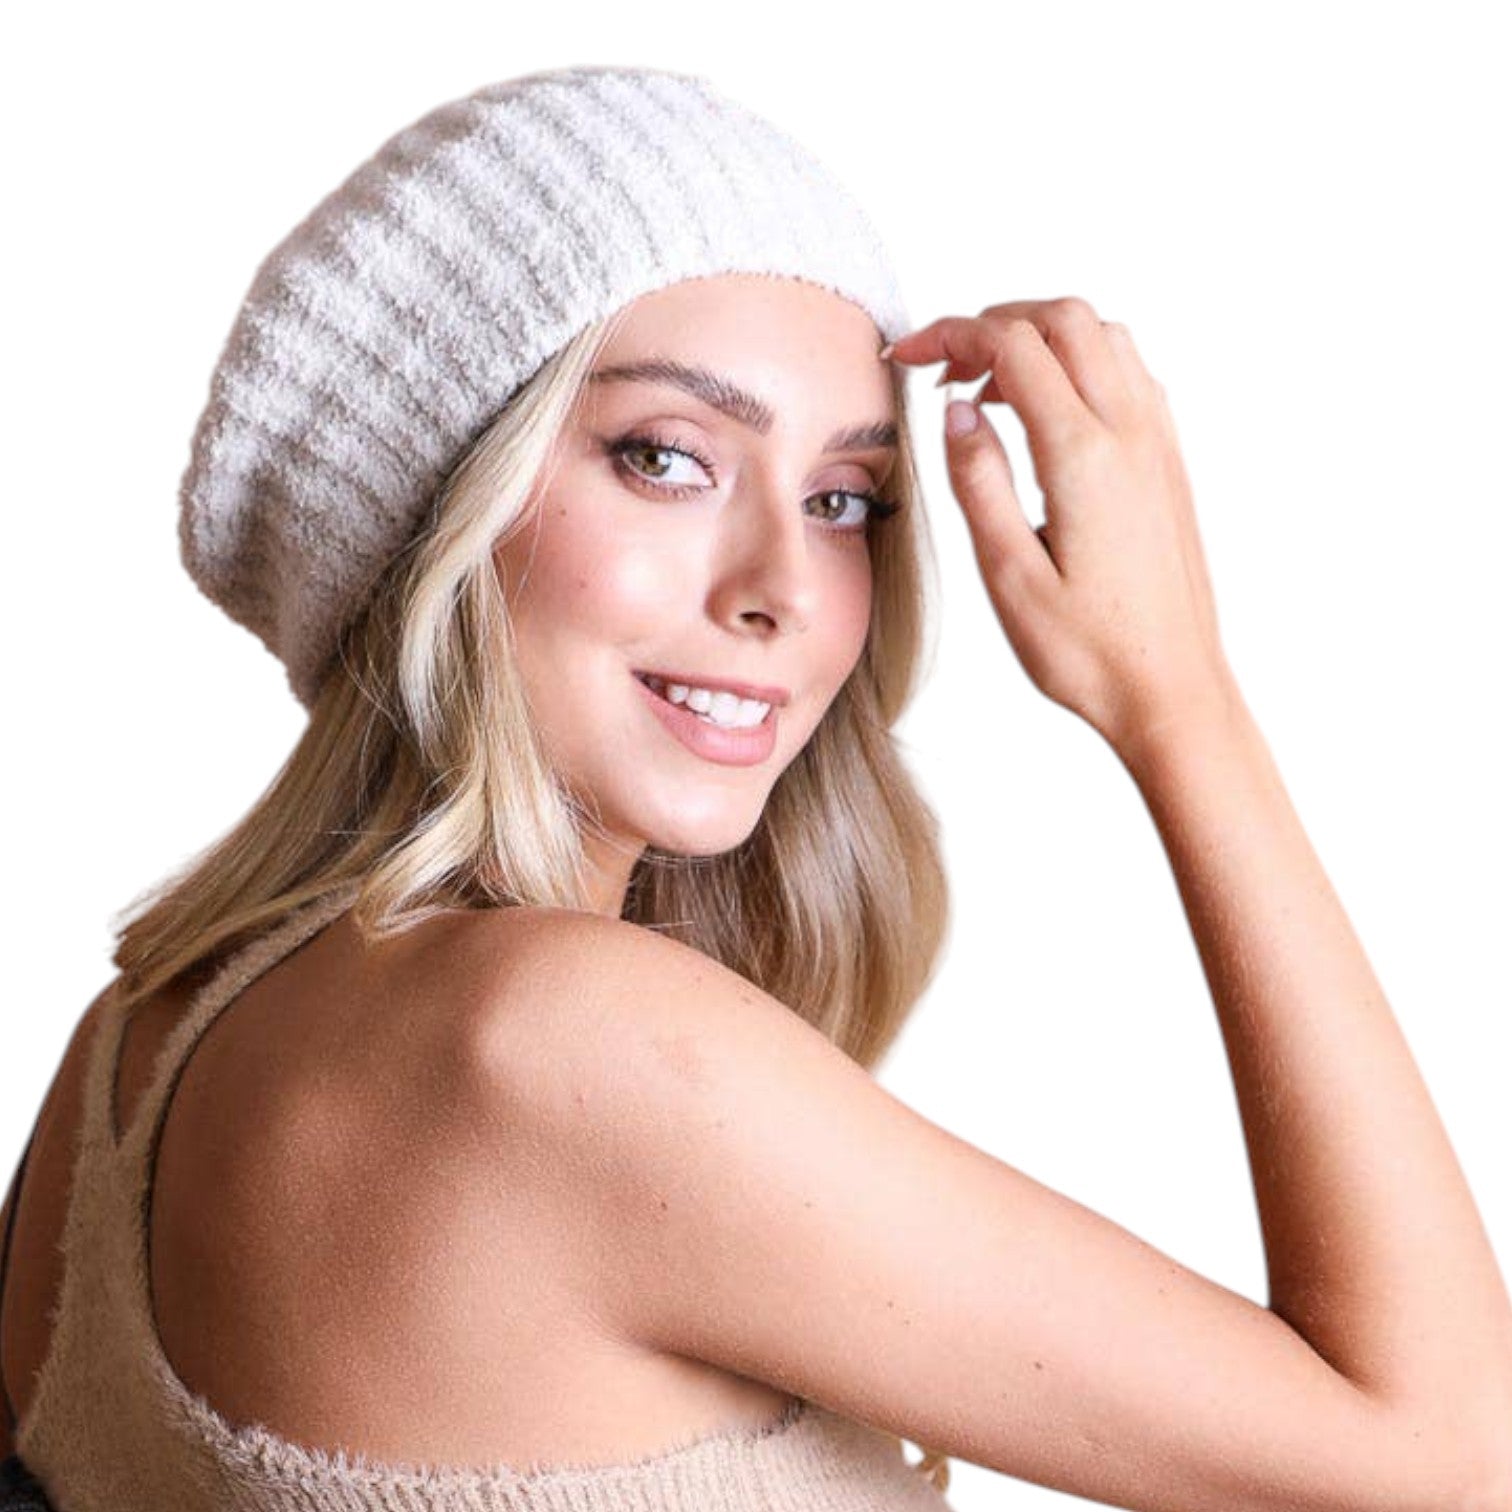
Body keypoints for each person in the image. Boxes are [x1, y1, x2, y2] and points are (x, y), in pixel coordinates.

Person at [2, 63, 1510, 1512]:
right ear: (434, 513)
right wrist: (1181, 700)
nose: (787, 585)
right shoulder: (561, 1042)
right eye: (667, 458)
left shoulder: (135, 1042)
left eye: (844, 499)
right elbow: (1445, 1466)